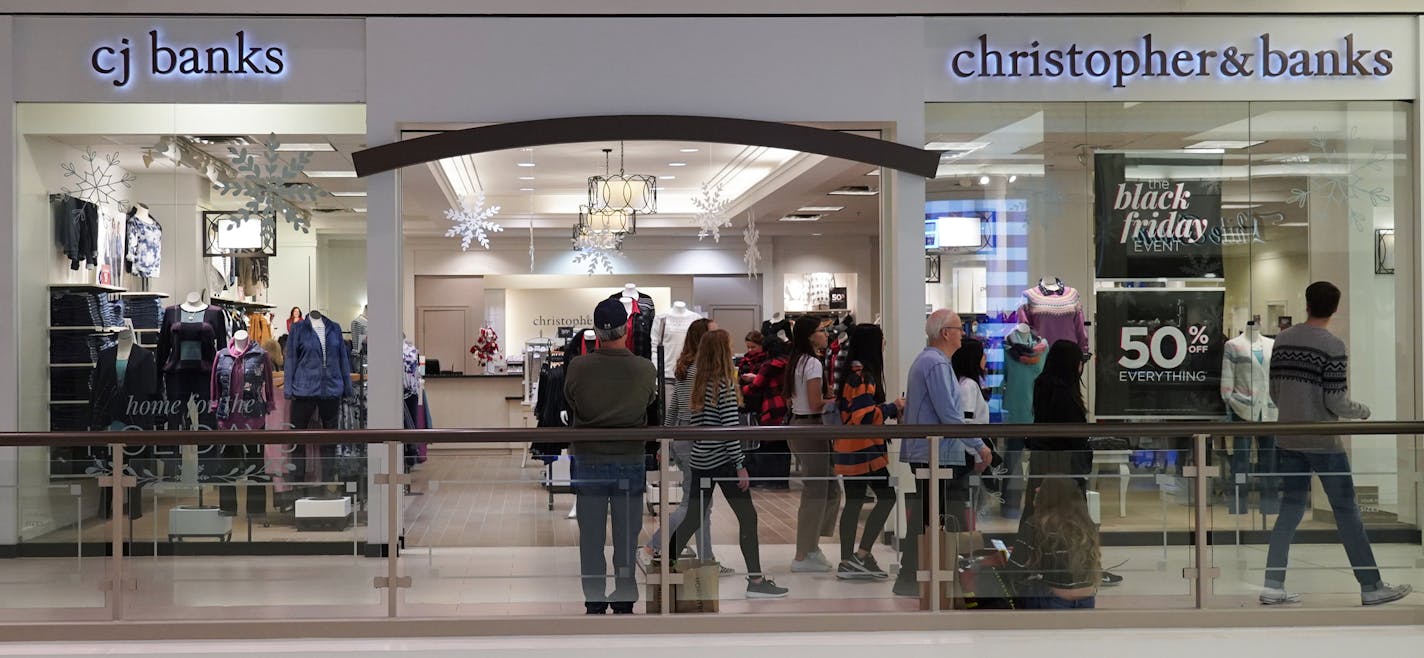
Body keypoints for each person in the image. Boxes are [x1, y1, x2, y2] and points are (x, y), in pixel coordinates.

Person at [1260, 281, 1412, 607]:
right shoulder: (1333, 345)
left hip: (1287, 437)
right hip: (1324, 443)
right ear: (1335, 308)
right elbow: (1336, 400)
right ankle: (1371, 585)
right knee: (1347, 513)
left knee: (1289, 510)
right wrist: (1363, 411)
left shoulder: (1283, 340)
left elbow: (1275, 391)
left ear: (1307, 303)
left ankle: (1272, 585)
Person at [667, 329, 790, 599]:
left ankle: (666, 565)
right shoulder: (723, 383)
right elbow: (729, 428)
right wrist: (739, 464)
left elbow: (698, 424)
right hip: (723, 461)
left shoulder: (698, 381)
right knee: (748, 517)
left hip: (701, 459)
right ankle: (756, 581)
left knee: (692, 518)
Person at [563, 298, 659, 615]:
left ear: (594, 330)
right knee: (627, 534)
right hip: (629, 460)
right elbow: (649, 404)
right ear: (627, 328)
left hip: (588, 459)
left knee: (590, 534)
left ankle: (593, 597)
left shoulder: (578, 366)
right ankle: (624, 594)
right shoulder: (645, 368)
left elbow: (571, 401)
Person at [892, 309, 993, 597]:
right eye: (959, 328)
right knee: (930, 516)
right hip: (932, 454)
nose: (963, 333)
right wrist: (979, 445)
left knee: (928, 515)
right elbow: (950, 415)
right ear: (946, 332)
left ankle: (915, 575)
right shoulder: (936, 364)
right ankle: (914, 575)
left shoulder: (933, 362)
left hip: (931, 452)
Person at [1024, 339, 1124, 588]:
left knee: (1041, 515)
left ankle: (1037, 565)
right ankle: (1084, 568)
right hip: (1064, 466)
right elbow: (1071, 435)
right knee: (1076, 518)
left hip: (1045, 462)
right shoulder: (1064, 393)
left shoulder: (1044, 387)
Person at [642, 318, 725, 570]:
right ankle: (656, 544)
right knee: (694, 506)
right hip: (697, 444)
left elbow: (674, 409)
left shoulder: (684, 366)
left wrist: (664, 442)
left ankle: (706, 559)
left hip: (682, 441)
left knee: (701, 506)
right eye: (714, 332)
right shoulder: (704, 369)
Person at [831, 323, 903, 580]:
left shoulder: (853, 371)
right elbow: (864, 416)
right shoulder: (864, 375)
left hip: (849, 447)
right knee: (888, 497)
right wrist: (893, 407)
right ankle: (860, 555)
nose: (884, 343)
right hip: (864, 450)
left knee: (853, 503)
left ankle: (849, 559)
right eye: (882, 339)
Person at [783, 315, 841, 572]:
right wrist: (838, 402)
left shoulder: (797, 361)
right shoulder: (813, 364)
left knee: (825, 487)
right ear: (809, 336)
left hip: (799, 425)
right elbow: (815, 402)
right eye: (821, 331)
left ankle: (810, 547)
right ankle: (804, 552)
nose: (826, 335)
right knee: (817, 490)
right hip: (811, 427)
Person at [1008, 478, 1101, 609]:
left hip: (1054, 600)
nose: (1037, 489)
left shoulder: (1036, 524)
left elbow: (1014, 570)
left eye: (1043, 487)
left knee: (1020, 586)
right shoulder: (1086, 524)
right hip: (1087, 600)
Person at [742, 336, 792, 489]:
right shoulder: (787, 363)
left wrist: (738, 391)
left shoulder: (769, 365)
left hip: (772, 406)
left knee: (770, 444)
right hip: (786, 406)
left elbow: (756, 386)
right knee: (783, 445)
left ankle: (771, 480)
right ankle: (781, 480)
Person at [951, 338, 994, 515]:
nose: (985, 358)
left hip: (970, 453)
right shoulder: (968, 385)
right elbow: (967, 423)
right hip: (971, 455)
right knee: (969, 505)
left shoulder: (964, 383)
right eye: (981, 354)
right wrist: (978, 454)